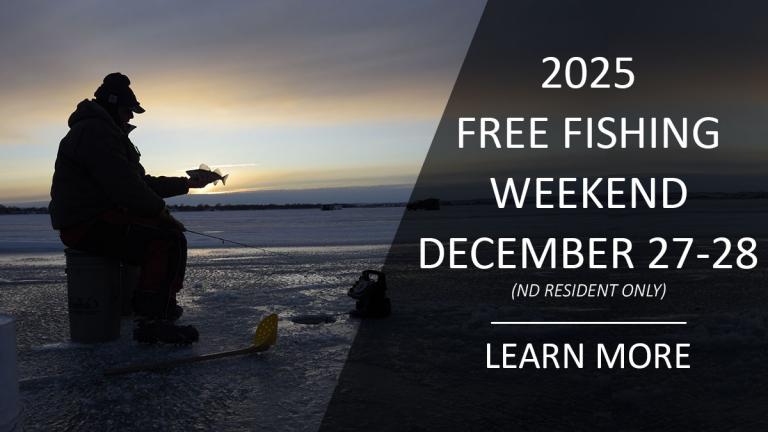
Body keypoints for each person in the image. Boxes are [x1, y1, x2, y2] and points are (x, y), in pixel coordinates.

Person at [49, 73, 211, 344]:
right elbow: (125, 187)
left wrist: (186, 184)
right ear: (113, 105)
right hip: (85, 223)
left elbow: (138, 183)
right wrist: (161, 213)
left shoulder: (105, 132)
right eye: (128, 110)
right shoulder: (95, 132)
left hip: (98, 217)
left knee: (168, 237)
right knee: (166, 240)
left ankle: (161, 309)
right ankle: (150, 321)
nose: (131, 117)